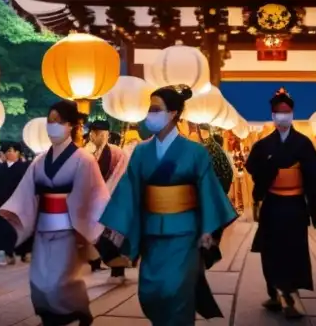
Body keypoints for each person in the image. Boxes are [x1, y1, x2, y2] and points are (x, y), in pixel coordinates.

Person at [98, 86, 238, 325]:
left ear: (173, 113)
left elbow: (208, 192)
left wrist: (209, 230)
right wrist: (114, 231)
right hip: (152, 233)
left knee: (177, 291)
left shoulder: (195, 152)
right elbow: (128, 193)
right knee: (151, 293)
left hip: (185, 233)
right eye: (149, 109)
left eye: (156, 109)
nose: (150, 114)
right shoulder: (141, 152)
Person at [0, 100, 109, 326]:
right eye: (50, 122)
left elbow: (94, 194)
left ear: (71, 125)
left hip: (69, 229)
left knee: (60, 280)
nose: (53, 126)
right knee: (39, 279)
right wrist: (15, 213)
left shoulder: (83, 159)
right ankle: (71, 311)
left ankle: (64, 315)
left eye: (58, 122)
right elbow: (26, 193)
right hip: (43, 227)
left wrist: (85, 229)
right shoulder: (39, 161)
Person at [246, 87, 316, 319]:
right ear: (273, 116)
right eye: (278, 112)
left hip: (294, 206)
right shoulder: (263, 146)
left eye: (287, 111)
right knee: (271, 250)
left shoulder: (303, 143)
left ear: (292, 114)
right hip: (273, 203)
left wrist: (312, 202)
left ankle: (289, 293)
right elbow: (253, 168)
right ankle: (275, 292)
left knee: (293, 250)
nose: (283, 116)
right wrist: (268, 172)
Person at [86, 118, 129, 281]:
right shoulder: (96, 152)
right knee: (102, 237)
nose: (91, 137)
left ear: (101, 134)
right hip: (103, 201)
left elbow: (102, 176)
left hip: (112, 200)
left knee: (108, 237)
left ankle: (117, 271)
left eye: (94, 133)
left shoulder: (113, 152)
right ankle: (115, 269)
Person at [0, 141, 30, 266]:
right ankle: (8, 254)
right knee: (5, 230)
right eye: (7, 151)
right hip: (2, 203)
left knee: (20, 229)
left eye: (11, 150)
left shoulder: (25, 168)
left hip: (19, 204)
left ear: (18, 152)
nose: (9, 153)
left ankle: (24, 252)